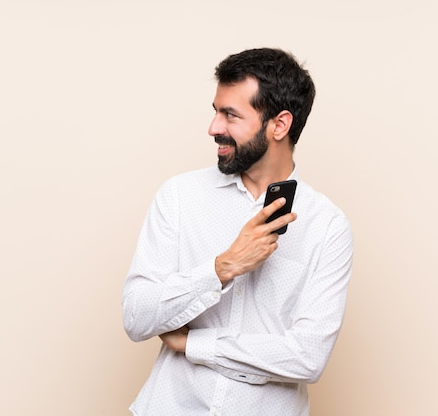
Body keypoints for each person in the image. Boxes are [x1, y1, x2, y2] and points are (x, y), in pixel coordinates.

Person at [122, 48, 353, 416]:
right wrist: (222, 268)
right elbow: (136, 317)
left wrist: (196, 344)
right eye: (216, 111)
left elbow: (308, 357)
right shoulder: (180, 196)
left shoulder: (326, 225)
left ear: (279, 125)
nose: (213, 127)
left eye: (230, 115)